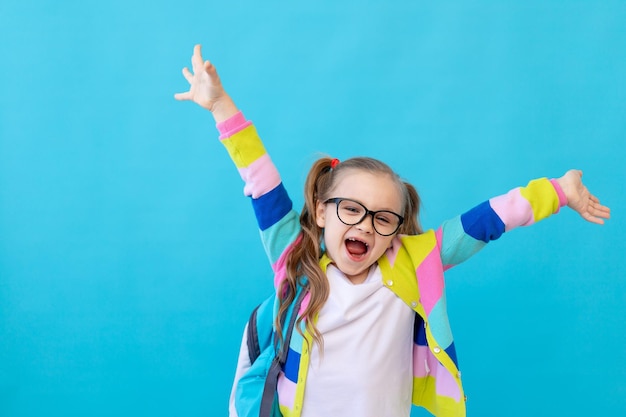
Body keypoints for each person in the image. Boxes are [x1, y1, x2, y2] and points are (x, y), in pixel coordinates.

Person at [174, 44, 610, 417]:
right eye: (351, 209)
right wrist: (220, 106)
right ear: (322, 212)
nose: (365, 224)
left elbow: (487, 220)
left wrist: (557, 190)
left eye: (382, 217)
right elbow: (261, 182)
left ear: (395, 230)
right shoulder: (297, 262)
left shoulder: (413, 262)